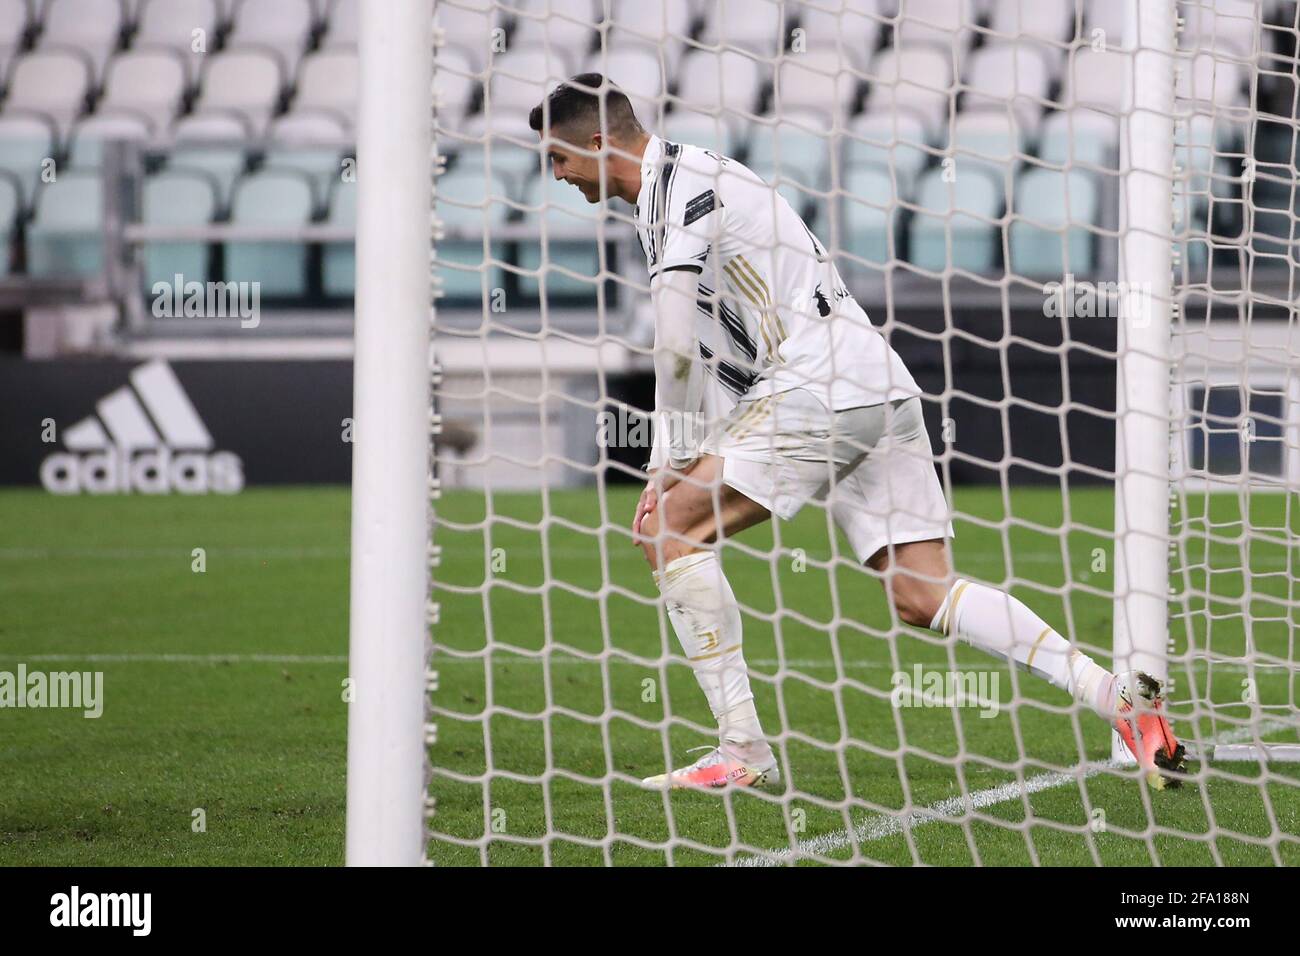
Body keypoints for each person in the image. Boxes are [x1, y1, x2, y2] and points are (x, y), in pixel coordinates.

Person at [528, 74, 1186, 792]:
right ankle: (1115, 699)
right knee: (919, 594)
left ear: (594, 143)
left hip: (817, 383)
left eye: (557, 159)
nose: (555, 177)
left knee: (669, 531)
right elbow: (717, 354)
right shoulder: (698, 173)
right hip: (871, 375)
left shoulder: (674, 192)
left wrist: (667, 466)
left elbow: (677, 346)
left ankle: (741, 749)